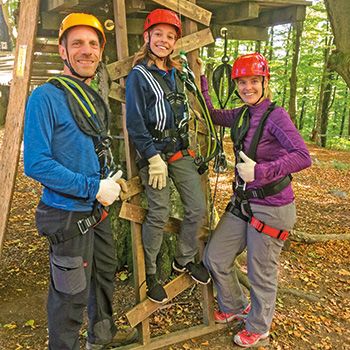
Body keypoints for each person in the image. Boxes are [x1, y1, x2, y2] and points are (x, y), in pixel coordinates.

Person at [23, 13, 137, 350]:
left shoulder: (93, 99)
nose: (86, 51)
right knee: (69, 297)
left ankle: (101, 338)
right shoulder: (45, 98)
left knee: (104, 277)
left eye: (92, 44)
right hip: (67, 214)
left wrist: (106, 180)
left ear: (101, 51)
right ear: (62, 50)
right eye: (77, 44)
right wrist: (93, 187)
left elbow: (90, 149)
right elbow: (37, 163)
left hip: (96, 211)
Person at [199, 53, 312, 347]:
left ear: (264, 82)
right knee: (216, 257)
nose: (247, 87)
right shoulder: (242, 114)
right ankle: (236, 306)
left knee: (260, 272)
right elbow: (211, 113)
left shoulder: (276, 116)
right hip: (245, 203)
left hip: (273, 206)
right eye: (242, 82)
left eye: (253, 81)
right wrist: (200, 77)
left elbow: (303, 156)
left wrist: (259, 171)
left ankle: (260, 326)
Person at [125, 9, 211, 304]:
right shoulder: (139, 75)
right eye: (158, 34)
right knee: (159, 213)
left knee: (197, 208)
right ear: (147, 37)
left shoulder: (178, 72)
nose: (164, 40)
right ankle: (151, 275)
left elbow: (197, 100)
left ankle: (184, 258)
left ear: (175, 42)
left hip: (179, 152)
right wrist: (151, 157)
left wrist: (200, 74)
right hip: (154, 154)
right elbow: (135, 122)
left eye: (170, 36)